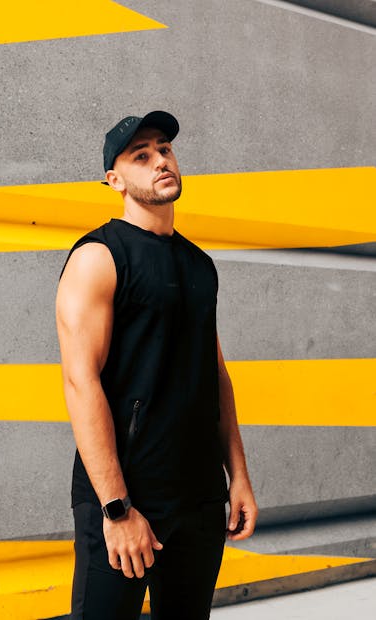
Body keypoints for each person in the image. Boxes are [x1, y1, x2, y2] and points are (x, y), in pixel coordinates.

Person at [55, 111, 258, 620]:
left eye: (164, 149)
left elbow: (215, 375)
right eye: (141, 156)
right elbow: (82, 384)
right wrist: (117, 509)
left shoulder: (198, 264)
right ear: (115, 180)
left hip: (199, 497)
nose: (160, 161)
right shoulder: (99, 257)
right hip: (128, 498)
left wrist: (238, 476)